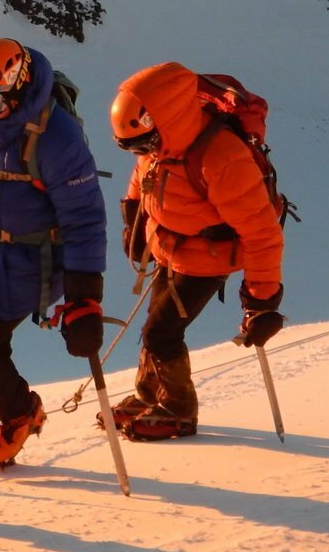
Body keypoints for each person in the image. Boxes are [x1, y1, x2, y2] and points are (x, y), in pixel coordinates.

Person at [0, 38, 108, 471]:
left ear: (16, 86)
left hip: (34, 258)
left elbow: (85, 217)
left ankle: (18, 414)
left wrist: (84, 297)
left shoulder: (56, 136)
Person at [107, 61, 286, 440]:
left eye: (145, 143)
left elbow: (261, 232)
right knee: (155, 325)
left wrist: (262, 301)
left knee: (162, 332)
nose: (143, 152)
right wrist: (133, 218)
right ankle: (151, 394)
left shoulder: (222, 158)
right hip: (168, 247)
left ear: (167, 120)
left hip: (208, 257)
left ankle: (178, 410)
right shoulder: (160, 142)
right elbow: (143, 176)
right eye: (136, 146)